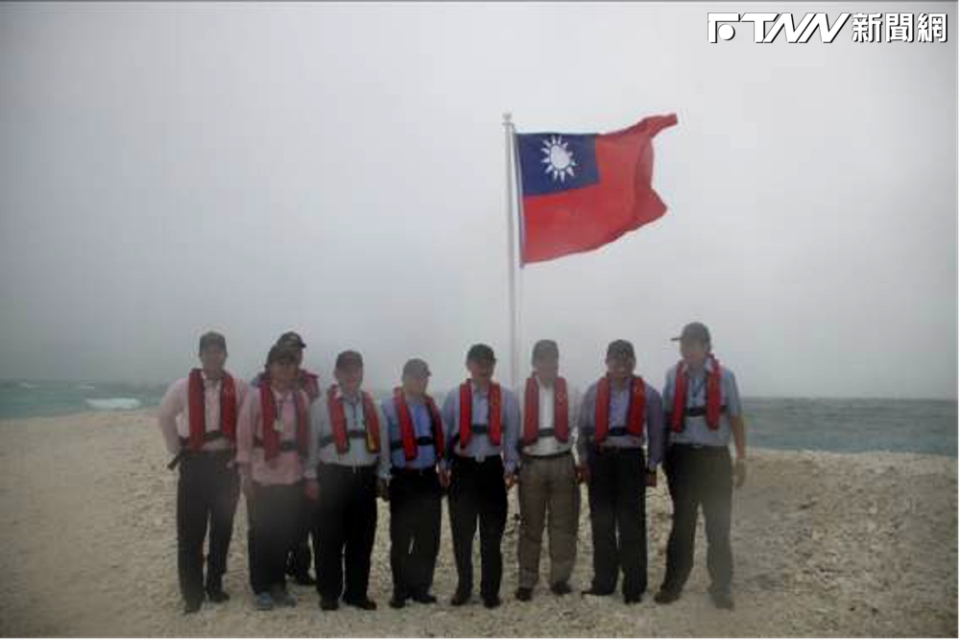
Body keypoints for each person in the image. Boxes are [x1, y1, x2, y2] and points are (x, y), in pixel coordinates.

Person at [655, 322, 746, 610]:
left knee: (718, 525)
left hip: (715, 459)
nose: (686, 349)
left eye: (692, 344)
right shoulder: (672, 375)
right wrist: (664, 458)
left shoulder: (726, 377)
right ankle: (673, 585)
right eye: (683, 344)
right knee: (682, 524)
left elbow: (735, 418)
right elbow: (666, 419)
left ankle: (720, 586)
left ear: (706, 347)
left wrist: (741, 457)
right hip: (683, 458)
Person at [157, 331, 248, 614]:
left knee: (222, 530)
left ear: (225, 354)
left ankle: (215, 585)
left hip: (225, 467)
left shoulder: (240, 387)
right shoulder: (181, 387)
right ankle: (192, 594)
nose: (213, 355)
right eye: (208, 350)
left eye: (218, 350)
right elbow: (164, 416)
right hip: (194, 466)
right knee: (190, 533)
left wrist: (240, 457)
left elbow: (247, 423)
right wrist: (176, 449)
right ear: (200, 355)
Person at [577, 339, 664, 604]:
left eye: (627, 358)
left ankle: (634, 586)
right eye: (615, 358)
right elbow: (583, 431)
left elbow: (658, 434)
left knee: (632, 525)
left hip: (630, 461)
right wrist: (583, 461)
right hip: (600, 460)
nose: (621, 363)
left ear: (634, 362)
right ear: (607, 362)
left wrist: (652, 466)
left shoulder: (648, 394)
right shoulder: (593, 392)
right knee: (602, 524)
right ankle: (604, 582)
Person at [440, 343, 521, 609]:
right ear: (469, 365)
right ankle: (464, 587)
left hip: (491, 471)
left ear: (493, 365)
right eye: (478, 362)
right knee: (462, 535)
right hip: (463, 471)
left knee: (491, 535)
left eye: (488, 362)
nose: (484, 366)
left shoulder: (507, 398)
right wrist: (443, 465)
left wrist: (511, 468)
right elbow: (445, 433)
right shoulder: (453, 397)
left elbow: (511, 437)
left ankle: (490, 591)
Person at [305, 350, 385, 611]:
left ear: (362, 372)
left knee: (362, 540)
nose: (352, 374)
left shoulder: (373, 406)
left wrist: (383, 476)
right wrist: (311, 478)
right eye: (346, 369)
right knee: (327, 539)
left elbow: (382, 445)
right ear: (336, 373)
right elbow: (311, 446)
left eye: (356, 369)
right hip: (331, 477)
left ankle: (356, 592)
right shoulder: (319, 407)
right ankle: (329, 593)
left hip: (363, 480)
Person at [235, 343, 311, 611]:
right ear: (269, 367)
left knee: (284, 533)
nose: (285, 368)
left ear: (296, 368)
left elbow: (307, 438)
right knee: (261, 533)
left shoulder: (300, 397)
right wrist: (244, 475)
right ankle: (261, 587)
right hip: (262, 477)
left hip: (292, 477)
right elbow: (243, 437)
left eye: (290, 364)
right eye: (279, 363)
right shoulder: (256, 397)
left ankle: (279, 584)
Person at [250, 331, 320, 586]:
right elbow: (248, 426)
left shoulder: (309, 385)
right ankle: (266, 578)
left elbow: (317, 420)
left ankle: (298, 569)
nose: (296, 353)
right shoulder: (259, 386)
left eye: (299, 349)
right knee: (266, 526)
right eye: (290, 349)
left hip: (299, 465)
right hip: (267, 468)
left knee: (301, 522)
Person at [515, 339, 582, 602]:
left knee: (564, 525)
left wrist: (582, 461)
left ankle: (560, 579)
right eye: (542, 359)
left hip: (562, 461)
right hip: (531, 464)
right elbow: (511, 432)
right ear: (534, 363)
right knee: (530, 526)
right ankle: (526, 580)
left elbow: (580, 428)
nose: (548, 364)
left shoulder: (573, 392)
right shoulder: (519, 393)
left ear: (558, 361)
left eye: (552, 358)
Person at [379, 358, 445, 609]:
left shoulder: (431, 407)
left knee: (429, 537)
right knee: (401, 536)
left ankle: (421, 587)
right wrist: (383, 477)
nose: (421, 381)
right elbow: (384, 447)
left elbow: (440, 442)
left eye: (424, 377)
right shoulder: (387, 408)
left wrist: (444, 468)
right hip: (402, 478)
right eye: (416, 376)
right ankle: (400, 589)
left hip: (428, 477)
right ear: (404, 378)